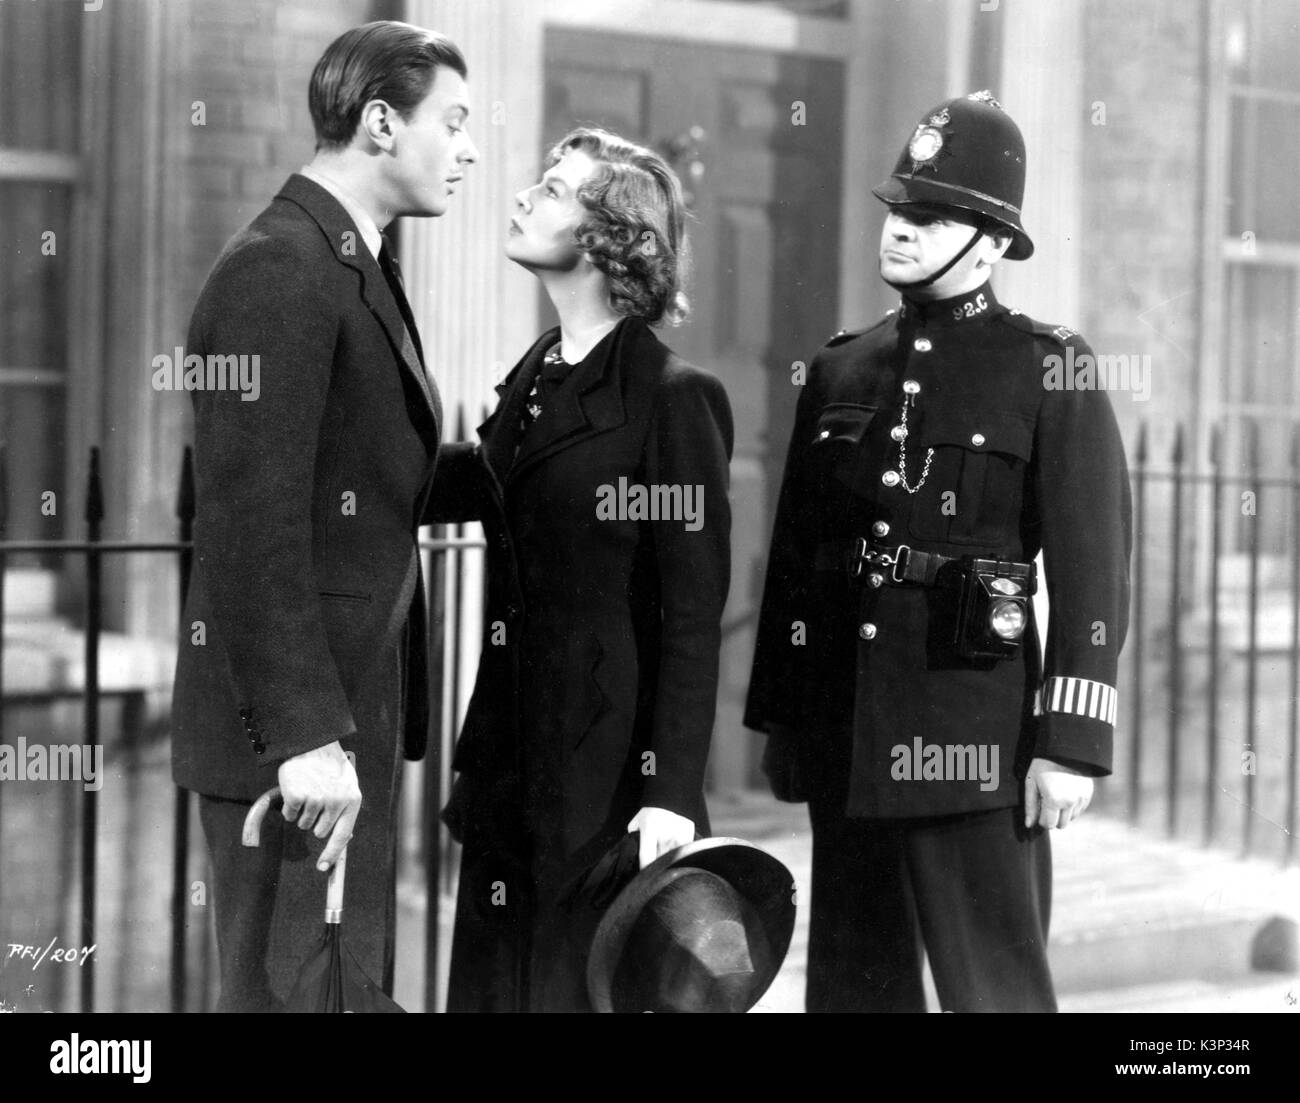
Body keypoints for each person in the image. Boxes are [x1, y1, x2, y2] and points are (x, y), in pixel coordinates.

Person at [745, 91, 1131, 1013]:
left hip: (977, 742)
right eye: (898, 211)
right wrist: (787, 718)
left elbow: (1092, 570)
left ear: (993, 243)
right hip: (848, 731)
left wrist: (1071, 744)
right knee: (854, 988)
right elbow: (797, 565)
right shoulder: (841, 368)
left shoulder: (1051, 366)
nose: (902, 232)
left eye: (932, 217)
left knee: (992, 990)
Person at [171, 21, 478, 1012]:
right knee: (288, 1000)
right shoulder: (282, 268)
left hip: (342, 729)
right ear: (382, 123)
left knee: (336, 995)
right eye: (455, 122)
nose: (467, 150)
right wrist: (308, 737)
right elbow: (248, 524)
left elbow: (367, 470)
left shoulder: (351, 259)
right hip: (298, 750)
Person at [431, 127, 734, 1012]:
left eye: (555, 190)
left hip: (606, 788)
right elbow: (486, 485)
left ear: (611, 239)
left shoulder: (672, 398)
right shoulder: (537, 373)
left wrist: (670, 792)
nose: (524, 197)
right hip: (509, 761)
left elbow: (691, 613)